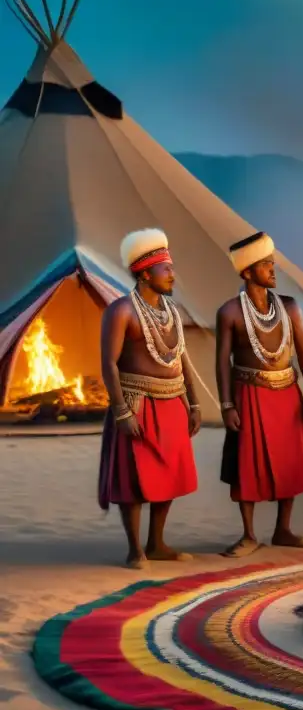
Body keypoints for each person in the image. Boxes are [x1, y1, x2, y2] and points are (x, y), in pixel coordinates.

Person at [98, 228, 201, 569]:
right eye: (166, 269)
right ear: (145, 273)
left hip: (172, 402)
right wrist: (122, 411)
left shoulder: (172, 312)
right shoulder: (121, 311)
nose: (173, 274)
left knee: (169, 474)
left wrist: (195, 403)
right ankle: (134, 549)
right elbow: (109, 363)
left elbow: (183, 358)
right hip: (136, 402)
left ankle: (156, 543)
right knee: (134, 478)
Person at [216, 231, 303, 558]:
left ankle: (282, 530)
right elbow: (221, 361)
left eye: (273, 263)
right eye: (266, 265)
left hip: (287, 392)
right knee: (246, 463)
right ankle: (248, 534)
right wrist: (226, 405)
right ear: (247, 272)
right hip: (248, 394)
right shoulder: (230, 312)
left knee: (288, 461)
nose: (274, 270)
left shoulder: (290, 308)